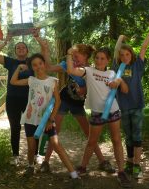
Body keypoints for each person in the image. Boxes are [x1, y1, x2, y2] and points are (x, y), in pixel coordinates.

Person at [38, 43, 115, 174]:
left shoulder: (91, 70)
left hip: (78, 104)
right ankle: (45, 162)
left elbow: (93, 89)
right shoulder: (68, 64)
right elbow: (49, 67)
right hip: (63, 100)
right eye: (72, 56)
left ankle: (102, 161)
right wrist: (45, 49)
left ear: (85, 56)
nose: (74, 58)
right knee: (55, 129)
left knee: (88, 133)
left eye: (76, 56)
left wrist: (84, 90)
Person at [67, 47, 131, 188]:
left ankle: (121, 172)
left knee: (116, 140)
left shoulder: (113, 73)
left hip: (113, 111)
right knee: (92, 141)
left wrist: (119, 81)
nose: (99, 61)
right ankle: (83, 168)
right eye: (97, 58)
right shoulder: (88, 71)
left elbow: (125, 90)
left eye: (102, 58)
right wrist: (70, 54)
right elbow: (71, 71)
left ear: (107, 60)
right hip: (97, 112)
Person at [10, 53, 79, 179]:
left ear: (44, 64)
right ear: (32, 67)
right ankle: (30, 166)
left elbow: (57, 101)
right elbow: (13, 81)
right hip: (30, 118)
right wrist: (19, 68)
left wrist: (51, 118)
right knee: (31, 148)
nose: (38, 67)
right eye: (34, 65)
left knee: (56, 145)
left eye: (40, 64)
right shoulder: (31, 80)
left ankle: (74, 175)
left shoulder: (52, 82)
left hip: (47, 119)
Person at [113, 18, 149, 179]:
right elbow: (116, 51)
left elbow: (144, 47)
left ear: (131, 55)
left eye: (128, 54)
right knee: (128, 135)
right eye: (122, 55)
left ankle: (137, 165)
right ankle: (129, 161)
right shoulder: (118, 67)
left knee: (137, 135)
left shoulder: (137, 66)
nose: (125, 57)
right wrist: (120, 38)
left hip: (137, 105)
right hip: (123, 107)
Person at [0, 30, 45, 165]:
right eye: (18, 47)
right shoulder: (10, 62)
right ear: (15, 51)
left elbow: (45, 52)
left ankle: (36, 154)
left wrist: (37, 37)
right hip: (12, 99)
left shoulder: (33, 62)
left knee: (34, 125)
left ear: (27, 50)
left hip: (30, 99)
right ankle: (15, 155)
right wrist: (5, 41)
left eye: (23, 47)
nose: (21, 49)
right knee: (15, 127)